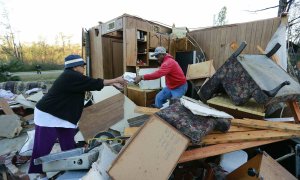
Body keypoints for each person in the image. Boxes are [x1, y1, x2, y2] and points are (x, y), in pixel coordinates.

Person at [28, 54, 127, 179]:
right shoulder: (70, 76)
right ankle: (39, 172)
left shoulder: (74, 77)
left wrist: (113, 84)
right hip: (48, 114)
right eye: (82, 66)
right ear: (74, 67)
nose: (83, 68)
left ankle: (70, 166)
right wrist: (116, 80)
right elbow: (93, 83)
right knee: (43, 144)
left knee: (68, 142)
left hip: (61, 114)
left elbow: (91, 84)